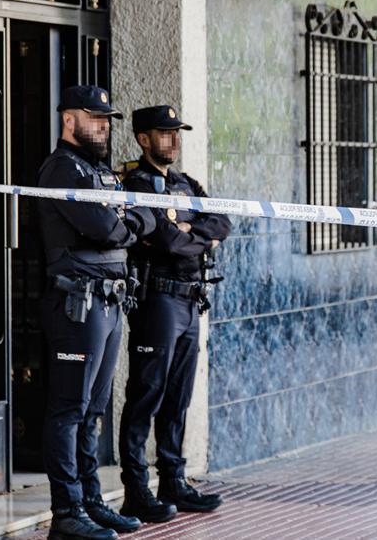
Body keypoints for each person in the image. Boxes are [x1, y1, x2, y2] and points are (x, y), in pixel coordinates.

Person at [35, 85, 156, 539]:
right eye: (95, 118)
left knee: (94, 411)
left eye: (107, 120)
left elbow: (143, 220)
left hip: (108, 302)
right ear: (69, 120)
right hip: (76, 303)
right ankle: (66, 512)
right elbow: (107, 228)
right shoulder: (62, 169)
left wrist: (129, 221)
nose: (105, 126)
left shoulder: (99, 173)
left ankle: (89, 500)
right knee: (69, 409)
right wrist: (128, 223)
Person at [119, 105, 232, 521]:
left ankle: (173, 480)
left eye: (176, 132)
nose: (173, 140)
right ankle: (135, 489)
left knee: (179, 396)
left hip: (190, 299)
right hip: (159, 300)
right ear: (143, 138)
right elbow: (165, 240)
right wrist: (193, 237)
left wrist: (194, 235)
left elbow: (220, 221)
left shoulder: (186, 184)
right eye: (164, 133)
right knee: (146, 393)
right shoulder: (134, 182)